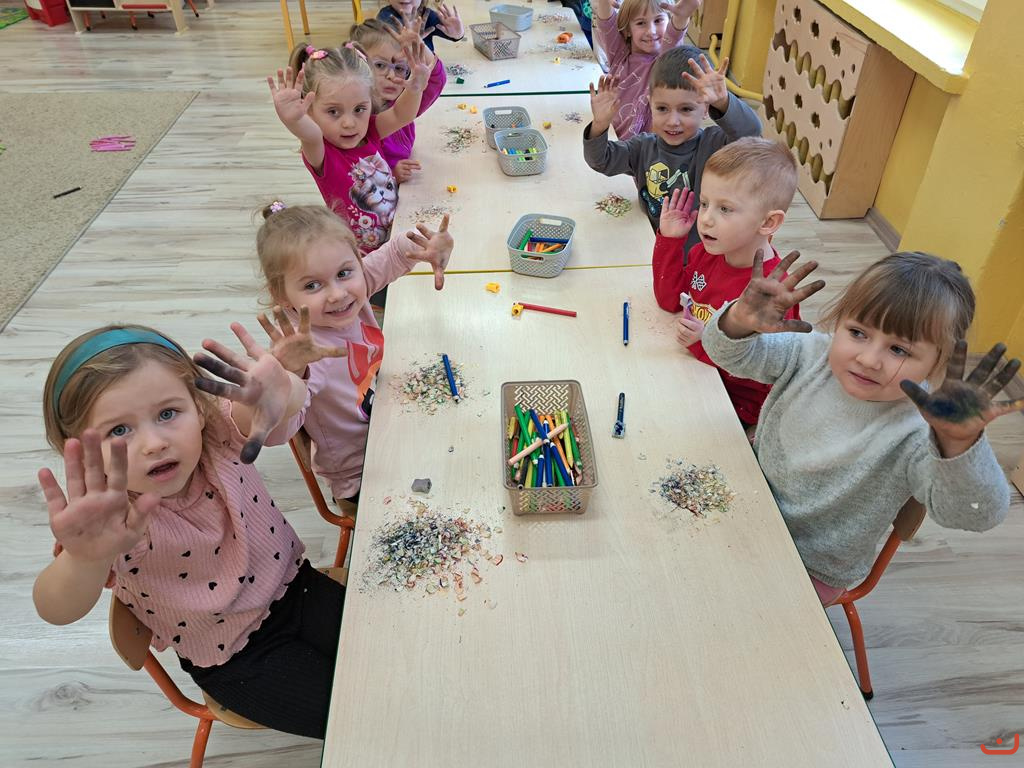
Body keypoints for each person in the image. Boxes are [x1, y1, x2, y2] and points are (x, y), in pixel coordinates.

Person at [32, 323, 345, 738]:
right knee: (358, 717)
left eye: (167, 414)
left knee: (397, 651)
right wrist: (84, 559)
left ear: (199, 409)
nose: (154, 443)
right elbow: (55, 610)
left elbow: (278, 405)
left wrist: (285, 386)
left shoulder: (218, 436)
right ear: (80, 449)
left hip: (297, 589)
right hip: (236, 657)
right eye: (119, 430)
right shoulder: (108, 519)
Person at [702, 250, 1018, 605]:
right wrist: (739, 321)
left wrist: (959, 446)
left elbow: (977, 514)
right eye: (857, 333)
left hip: (809, 564)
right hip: (747, 501)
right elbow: (727, 353)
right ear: (839, 322)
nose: (868, 360)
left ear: (937, 362)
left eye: (899, 350)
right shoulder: (812, 354)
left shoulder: (918, 433)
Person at [253, 201, 453, 513]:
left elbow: (393, 254)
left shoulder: (351, 291)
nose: (337, 293)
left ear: (358, 261)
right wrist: (289, 376)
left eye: (344, 273)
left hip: (391, 424)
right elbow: (276, 432)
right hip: (361, 474)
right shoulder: (304, 352)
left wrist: (426, 245)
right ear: (281, 296)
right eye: (312, 285)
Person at [653, 138, 798, 427]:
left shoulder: (771, 293)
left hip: (737, 404)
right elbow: (669, 301)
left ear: (768, 223)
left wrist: (704, 343)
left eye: (725, 209)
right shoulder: (706, 254)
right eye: (704, 203)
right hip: (697, 371)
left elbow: (760, 373)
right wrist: (670, 241)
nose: (705, 219)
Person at [266, 40, 431, 254]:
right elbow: (310, 135)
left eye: (359, 109)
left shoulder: (370, 131)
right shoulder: (321, 152)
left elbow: (401, 114)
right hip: (361, 258)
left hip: (397, 237)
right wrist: (294, 120)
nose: (349, 123)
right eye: (333, 112)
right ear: (309, 110)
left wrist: (415, 88)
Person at [584, 46, 761, 240]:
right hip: (650, 242)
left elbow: (750, 134)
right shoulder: (642, 147)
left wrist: (723, 102)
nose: (673, 121)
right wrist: (600, 125)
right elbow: (601, 160)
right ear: (650, 104)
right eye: (662, 108)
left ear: (705, 109)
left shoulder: (714, 145)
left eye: (686, 109)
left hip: (696, 250)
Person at [349, 15, 447, 184]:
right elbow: (355, 175)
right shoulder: (358, 117)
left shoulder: (403, 102)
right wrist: (391, 174)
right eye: (380, 65)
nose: (391, 75)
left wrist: (419, 45)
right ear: (358, 65)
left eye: (400, 68)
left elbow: (436, 80)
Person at [589, 0, 699, 140]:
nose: (651, 31)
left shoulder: (666, 61)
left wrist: (681, 17)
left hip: (645, 149)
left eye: (658, 20)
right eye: (641, 23)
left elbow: (674, 35)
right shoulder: (619, 54)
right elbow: (606, 25)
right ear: (628, 30)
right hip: (611, 139)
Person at [377, 0, 463, 52]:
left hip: (428, 68)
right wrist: (410, 43)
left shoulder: (427, 14)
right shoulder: (385, 16)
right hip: (401, 71)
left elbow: (451, 34)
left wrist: (458, 34)